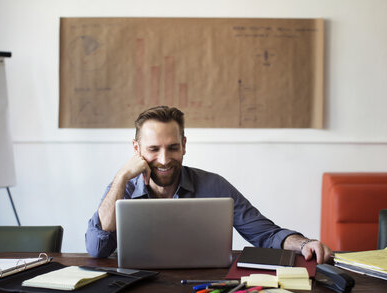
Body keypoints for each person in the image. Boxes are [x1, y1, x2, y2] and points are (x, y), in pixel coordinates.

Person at [85, 106, 332, 263]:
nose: (163, 159)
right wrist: (120, 177)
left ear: (184, 145)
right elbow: (97, 249)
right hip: (136, 288)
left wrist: (304, 243)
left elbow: (265, 234)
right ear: (136, 149)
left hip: (205, 287)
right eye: (153, 149)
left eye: (172, 147)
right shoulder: (123, 187)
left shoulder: (214, 185)